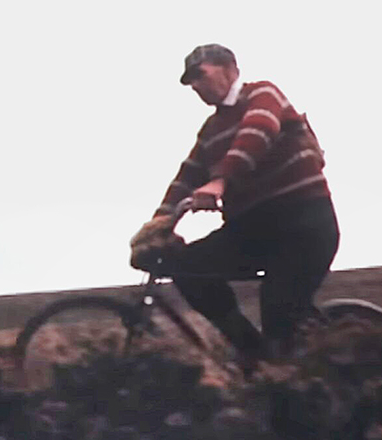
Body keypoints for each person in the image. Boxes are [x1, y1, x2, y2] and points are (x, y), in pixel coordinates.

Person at [131, 43, 340, 366]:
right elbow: (186, 175)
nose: (196, 86)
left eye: (200, 76)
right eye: (190, 82)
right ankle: (252, 355)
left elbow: (259, 131)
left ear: (229, 68)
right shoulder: (211, 129)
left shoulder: (261, 95)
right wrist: (157, 224)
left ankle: (290, 374)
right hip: (252, 228)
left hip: (303, 224)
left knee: (278, 307)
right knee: (188, 267)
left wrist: (221, 181)